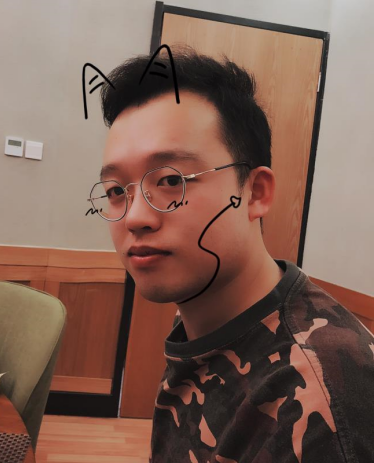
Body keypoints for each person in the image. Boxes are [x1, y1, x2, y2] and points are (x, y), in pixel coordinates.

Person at [88, 45, 374, 462]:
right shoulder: (203, 320)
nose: (134, 217)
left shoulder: (322, 400)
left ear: (255, 192)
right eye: (116, 190)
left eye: (170, 180)